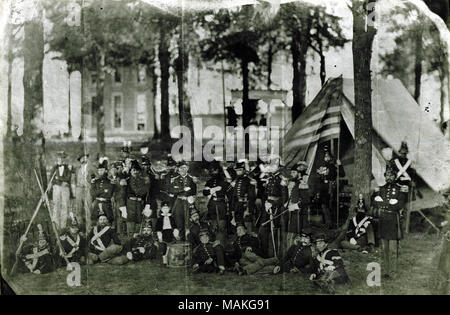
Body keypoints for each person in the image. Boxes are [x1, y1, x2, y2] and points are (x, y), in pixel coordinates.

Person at [372, 167, 406, 279]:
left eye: (391, 175)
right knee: (384, 248)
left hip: (393, 220)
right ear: (385, 176)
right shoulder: (381, 189)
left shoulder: (399, 189)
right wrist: (384, 204)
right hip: (383, 219)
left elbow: (400, 204)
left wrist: (385, 204)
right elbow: (374, 202)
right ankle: (386, 272)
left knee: (392, 249)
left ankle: (393, 272)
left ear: (395, 177)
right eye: (387, 175)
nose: (389, 177)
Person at [258, 155, 288, 258]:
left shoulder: (282, 179)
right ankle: (265, 254)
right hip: (267, 206)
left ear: (279, 167)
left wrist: (273, 204)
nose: (271, 167)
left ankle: (276, 255)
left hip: (276, 208)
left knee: (274, 231)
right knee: (263, 230)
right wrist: (266, 202)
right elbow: (266, 194)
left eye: (273, 165)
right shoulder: (270, 178)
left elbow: (285, 197)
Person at [118, 160, 150, 237]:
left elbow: (146, 195)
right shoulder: (126, 181)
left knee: (139, 223)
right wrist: (123, 208)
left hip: (139, 204)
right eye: (133, 170)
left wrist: (146, 206)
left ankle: (137, 243)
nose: (135, 172)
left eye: (137, 170)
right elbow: (122, 195)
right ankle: (130, 242)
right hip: (130, 205)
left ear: (139, 172)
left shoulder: (143, 182)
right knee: (130, 223)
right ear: (131, 171)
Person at [315, 146, 344, 227]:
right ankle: (326, 222)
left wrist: (340, 165)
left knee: (329, 205)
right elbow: (318, 177)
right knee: (323, 204)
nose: (326, 157)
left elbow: (342, 174)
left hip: (330, 188)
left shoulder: (333, 166)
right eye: (324, 156)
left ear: (330, 157)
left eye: (327, 155)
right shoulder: (321, 165)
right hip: (322, 188)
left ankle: (329, 222)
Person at [203, 161, 229, 245]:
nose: (214, 172)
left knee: (222, 225)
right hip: (212, 204)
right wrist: (213, 189)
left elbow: (227, 190)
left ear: (219, 170)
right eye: (212, 170)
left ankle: (222, 244)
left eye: (215, 170)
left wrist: (211, 190)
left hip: (221, 203)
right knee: (213, 225)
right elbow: (205, 192)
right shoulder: (209, 181)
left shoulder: (224, 181)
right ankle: (213, 244)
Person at [170, 161, 197, 240]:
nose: (182, 169)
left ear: (187, 168)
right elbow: (173, 190)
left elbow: (194, 191)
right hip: (179, 202)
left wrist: (190, 197)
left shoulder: (192, 179)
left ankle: (190, 240)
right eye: (181, 168)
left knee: (189, 221)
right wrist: (183, 189)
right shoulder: (174, 180)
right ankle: (181, 240)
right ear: (178, 169)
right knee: (179, 221)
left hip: (189, 202)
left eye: (184, 167)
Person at [285, 161, 310, 248]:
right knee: (290, 233)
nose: (292, 174)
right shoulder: (293, 182)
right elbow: (291, 196)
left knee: (295, 234)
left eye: (294, 172)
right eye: (291, 172)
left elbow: (306, 200)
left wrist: (296, 206)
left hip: (300, 213)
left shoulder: (302, 184)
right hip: (292, 212)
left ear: (299, 173)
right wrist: (287, 203)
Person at [91, 160, 120, 227]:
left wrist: (98, 191)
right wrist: (103, 190)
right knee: (94, 220)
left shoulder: (110, 181)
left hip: (106, 203)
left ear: (106, 171)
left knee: (109, 220)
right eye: (99, 170)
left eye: (102, 170)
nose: (100, 172)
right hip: (97, 203)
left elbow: (109, 194)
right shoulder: (95, 181)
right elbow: (92, 193)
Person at [229, 161, 256, 231]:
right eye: (237, 171)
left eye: (240, 170)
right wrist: (232, 209)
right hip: (237, 206)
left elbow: (252, 196)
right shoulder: (236, 181)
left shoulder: (249, 180)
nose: (238, 172)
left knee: (247, 225)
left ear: (244, 170)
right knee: (238, 225)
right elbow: (233, 196)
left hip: (245, 205)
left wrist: (249, 209)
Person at [50, 151, 73, 230]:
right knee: (56, 206)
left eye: (62, 158)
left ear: (65, 159)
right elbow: (51, 179)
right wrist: (61, 181)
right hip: (56, 188)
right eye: (59, 158)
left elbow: (68, 178)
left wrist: (58, 179)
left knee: (65, 206)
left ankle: (63, 226)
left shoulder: (68, 168)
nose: (61, 159)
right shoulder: (54, 167)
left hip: (65, 188)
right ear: (57, 159)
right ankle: (56, 227)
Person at [74, 152, 95, 232]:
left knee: (88, 209)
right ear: (80, 160)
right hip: (79, 189)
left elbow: (96, 178)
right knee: (78, 210)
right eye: (82, 158)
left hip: (87, 189)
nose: (84, 159)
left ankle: (88, 229)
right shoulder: (77, 169)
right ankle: (80, 228)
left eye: (85, 157)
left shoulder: (91, 168)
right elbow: (74, 180)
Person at [155, 201, 180, 267]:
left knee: (172, 247)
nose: (165, 210)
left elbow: (175, 227)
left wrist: (176, 234)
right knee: (165, 248)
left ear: (169, 209)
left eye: (167, 208)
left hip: (170, 233)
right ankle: (165, 262)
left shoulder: (172, 218)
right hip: (164, 234)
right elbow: (158, 229)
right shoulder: (160, 219)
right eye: (164, 208)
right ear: (161, 209)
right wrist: (160, 237)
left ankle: (172, 260)